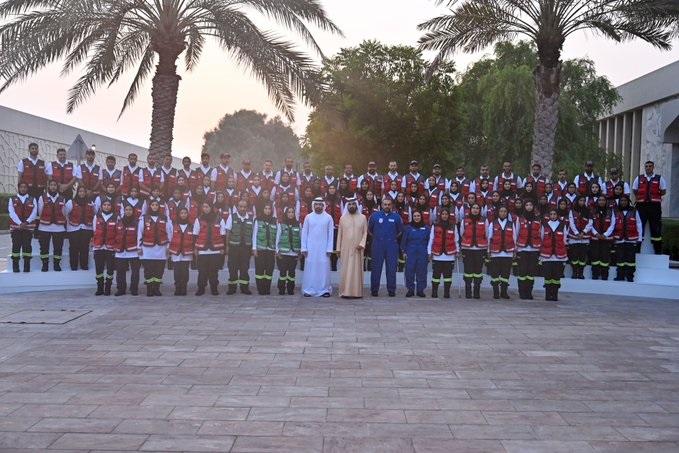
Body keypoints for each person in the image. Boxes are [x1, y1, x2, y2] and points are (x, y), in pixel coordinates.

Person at [368, 198, 404, 297]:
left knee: (391, 268)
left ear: (392, 205)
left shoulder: (397, 217)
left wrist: (391, 238)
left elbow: (400, 231)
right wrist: (377, 237)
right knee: (376, 268)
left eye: (389, 204)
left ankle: (391, 290)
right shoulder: (374, 216)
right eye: (385, 204)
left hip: (391, 245)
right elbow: (370, 230)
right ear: (381, 205)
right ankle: (374, 290)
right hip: (378, 244)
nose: (387, 206)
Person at [301, 197, 334, 297]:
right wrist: (304, 248)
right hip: (310, 248)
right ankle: (308, 289)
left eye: (320, 205)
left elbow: (331, 234)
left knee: (323, 269)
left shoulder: (328, 218)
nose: (318, 206)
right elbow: (304, 233)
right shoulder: (308, 217)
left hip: (324, 249)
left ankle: (324, 290)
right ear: (313, 205)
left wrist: (329, 249)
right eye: (316, 204)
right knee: (310, 269)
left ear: (323, 206)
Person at [138, 199, 172, 296]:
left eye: (156, 205)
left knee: (159, 270)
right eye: (153, 205)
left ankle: (156, 289)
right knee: (148, 271)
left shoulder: (164, 218)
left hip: (161, 248)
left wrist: (168, 246)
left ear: (159, 207)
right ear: (150, 206)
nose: (154, 206)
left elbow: (169, 233)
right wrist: (139, 247)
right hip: (147, 249)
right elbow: (139, 233)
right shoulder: (143, 218)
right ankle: (149, 289)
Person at [632, 161, 667, 255]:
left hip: (654, 206)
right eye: (646, 166)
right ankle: (637, 249)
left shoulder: (659, 178)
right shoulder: (639, 178)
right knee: (639, 226)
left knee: (656, 227)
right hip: (641, 206)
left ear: (653, 167)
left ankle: (658, 250)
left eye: (650, 166)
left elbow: (663, 191)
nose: (648, 168)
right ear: (644, 167)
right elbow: (635, 190)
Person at [336, 198, 368, 299]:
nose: (351, 206)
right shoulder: (342, 218)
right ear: (347, 206)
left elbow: (365, 232)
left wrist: (362, 244)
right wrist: (338, 248)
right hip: (345, 248)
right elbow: (340, 234)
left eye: (353, 204)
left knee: (356, 270)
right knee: (345, 270)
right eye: (349, 205)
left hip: (358, 249)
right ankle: (344, 292)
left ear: (357, 205)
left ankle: (357, 292)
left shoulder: (363, 218)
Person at [194, 201, 226, 296]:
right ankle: (201, 288)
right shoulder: (198, 219)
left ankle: (214, 288)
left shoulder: (219, 219)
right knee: (202, 271)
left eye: (207, 206)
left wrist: (222, 248)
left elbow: (223, 235)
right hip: (202, 250)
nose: (205, 208)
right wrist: (195, 248)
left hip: (215, 250)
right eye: (204, 207)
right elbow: (195, 235)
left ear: (211, 207)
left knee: (214, 271)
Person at [427, 208, 458, 298]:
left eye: (446, 214)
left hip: (449, 255)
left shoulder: (453, 226)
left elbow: (456, 239)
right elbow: (431, 239)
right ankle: (434, 291)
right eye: (443, 214)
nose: (444, 216)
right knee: (436, 275)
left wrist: (457, 251)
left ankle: (447, 292)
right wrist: (429, 252)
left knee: (448, 276)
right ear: (440, 215)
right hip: (437, 255)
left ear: (449, 216)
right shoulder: (435, 225)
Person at [487, 206, 517, 299]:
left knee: (505, 274)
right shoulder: (493, 223)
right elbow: (489, 238)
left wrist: (515, 251)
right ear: (498, 212)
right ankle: (495, 292)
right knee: (495, 274)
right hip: (495, 252)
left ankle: (504, 292)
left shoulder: (511, 224)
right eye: (501, 211)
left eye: (505, 211)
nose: (503, 213)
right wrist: (488, 251)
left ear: (507, 213)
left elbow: (514, 238)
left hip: (508, 253)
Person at [459, 202, 488, 299]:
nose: (475, 210)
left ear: (480, 210)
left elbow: (487, 234)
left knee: (478, 271)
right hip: (467, 248)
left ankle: (476, 291)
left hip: (480, 249)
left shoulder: (484, 220)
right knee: (468, 270)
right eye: (473, 208)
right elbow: (462, 233)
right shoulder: (465, 220)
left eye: (477, 208)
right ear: (470, 210)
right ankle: (468, 291)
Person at [225, 199, 254, 295]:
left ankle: (244, 288)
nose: (242, 208)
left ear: (247, 208)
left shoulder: (251, 218)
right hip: (234, 247)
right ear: (237, 207)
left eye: (244, 207)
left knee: (244, 268)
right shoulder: (232, 217)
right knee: (232, 268)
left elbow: (253, 233)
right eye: (241, 206)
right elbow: (228, 231)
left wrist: (252, 248)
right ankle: (232, 288)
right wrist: (227, 246)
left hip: (246, 248)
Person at [37, 180, 67, 272]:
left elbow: (64, 212)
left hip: (59, 228)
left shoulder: (62, 198)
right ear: (48, 186)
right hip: (44, 227)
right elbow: (40, 211)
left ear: (57, 187)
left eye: (55, 185)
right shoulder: (42, 197)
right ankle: (45, 264)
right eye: (51, 185)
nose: (53, 187)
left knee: (58, 248)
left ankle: (56, 264)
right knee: (44, 248)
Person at [8, 181, 38, 272]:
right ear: (18, 188)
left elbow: (34, 213)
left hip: (28, 228)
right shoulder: (12, 199)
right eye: (21, 187)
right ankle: (15, 267)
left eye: (25, 187)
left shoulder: (32, 199)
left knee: (27, 247)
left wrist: (27, 222)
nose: (23, 188)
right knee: (16, 247)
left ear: (27, 188)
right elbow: (11, 213)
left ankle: (26, 267)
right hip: (16, 228)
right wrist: (20, 223)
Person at [64, 186, 95, 271]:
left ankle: (84, 265)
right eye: (80, 191)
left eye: (83, 191)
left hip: (87, 228)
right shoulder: (71, 202)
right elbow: (65, 213)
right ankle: (73, 265)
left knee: (84, 247)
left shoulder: (91, 202)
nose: (82, 193)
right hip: (73, 228)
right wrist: (69, 223)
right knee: (74, 247)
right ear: (77, 192)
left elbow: (94, 213)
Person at [515, 200, 542, 300]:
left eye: (531, 205)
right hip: (522, 249)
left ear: (534, 207)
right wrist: (516, 249)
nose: (529, 207)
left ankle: (529, 292)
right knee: (522, 271)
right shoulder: (520, 219)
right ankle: (522, 292)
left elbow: (540, 234)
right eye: (527, 205)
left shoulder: (538, 219)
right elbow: (516, 233)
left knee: (531, 272)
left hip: (534, 249)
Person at [540, 208, 569, 301]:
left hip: (558, 256)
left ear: (557, 215)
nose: (553, 216)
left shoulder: (562, 225)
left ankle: (555, 294)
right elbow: (541, 238)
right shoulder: (544, 225)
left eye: (554, 214)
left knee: (556, 276)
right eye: (551, 214)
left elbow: (564, 240)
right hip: (546, 256)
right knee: (547, 276)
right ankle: (548, 295)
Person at [613, 195, 643, 282]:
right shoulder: (615, 211)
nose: (623, 202)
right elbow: (612, 225)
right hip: (619, 239)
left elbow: (639, 224)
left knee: (631, 259)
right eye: (621, 200)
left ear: (628, 201)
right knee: (620, 258)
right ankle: (620, 276)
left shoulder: (634, 211)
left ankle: (630, 277)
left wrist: (639, 238)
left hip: (631, 239)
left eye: (625, 200)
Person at [114, 204, 141, 296]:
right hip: (121, 251)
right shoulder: (119, 222)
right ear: (124, 211)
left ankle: (134, 289)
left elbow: (139, 236)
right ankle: (121, 289)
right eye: (126, 209)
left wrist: (139, 248)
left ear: (133, 211)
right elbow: (114, 234)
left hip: (134, 251)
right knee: (120, 271)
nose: (128, 211)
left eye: (130, 210)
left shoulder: (137, 222)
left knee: (135, 271)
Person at [92, 199, 117, 296]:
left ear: (111, 206)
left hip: (110, 247)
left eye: (108, 205)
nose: (106, 206)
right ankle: (100, 287)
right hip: (98, 247)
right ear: (102, 206)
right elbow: (94, 230)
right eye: (105, 205)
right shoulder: (97, 216)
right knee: (99, 269)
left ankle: (108, 287)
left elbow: (117, 232)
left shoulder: (116, 217)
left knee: (110, 270)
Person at [167, 207, 194, 296]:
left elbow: (193, 239)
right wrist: (169, 249)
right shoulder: (173, 225)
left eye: (185, 213)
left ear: (187, 214)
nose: (183, 215)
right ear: (179, 214)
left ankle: (184, 288)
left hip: (186, 252)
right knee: (177, 271)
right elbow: (170, 237)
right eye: (181, 213)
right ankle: (177, 288)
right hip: (176, 252)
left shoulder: (191, 226)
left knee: (185, 271)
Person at [252, 202, 278, 295]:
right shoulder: (257, 220)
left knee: (269, 270)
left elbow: (277, 236)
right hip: (260, 249)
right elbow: (254, 234)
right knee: (259, 270)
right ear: (263, 210)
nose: (267, 210)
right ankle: (260, 289)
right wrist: (254, 248)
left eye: (269, 209)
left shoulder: (275, 221)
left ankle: (267, 288)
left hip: (271, 250)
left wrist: (276, 250)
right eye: (265, 208)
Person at [276, 206, 302, 295]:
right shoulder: (281, 224)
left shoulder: (298, 224)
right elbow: (277, 238)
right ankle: (281, 289)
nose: (291, 214)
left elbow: (301, 238)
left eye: (292, 212)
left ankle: (290, 289)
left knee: (292, 273)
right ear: (286, 214)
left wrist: (300, 252)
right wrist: (277, 251)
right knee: (283, 272)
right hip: (283, 253)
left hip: (294, 253)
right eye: (289, 212)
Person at [590, 195, 616, 281]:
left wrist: (606, 234)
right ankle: (595, 274)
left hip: (606, 239)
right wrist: (596, 233)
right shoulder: (592, 212)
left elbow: (613, 224)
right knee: (595, 257)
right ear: (597, 202)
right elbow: (590, 224)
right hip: (595, 238)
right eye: (600, 200)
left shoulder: (610, 212)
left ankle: (604, 275)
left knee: (605, 257)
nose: (601, 202)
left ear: (606, 202)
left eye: (603, 200)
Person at [568, 196, 592, 279]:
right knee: (574, 256)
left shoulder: (588, 211)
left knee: (582, 257)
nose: (582, 202)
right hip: (574, 237)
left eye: (583, 200)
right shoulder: (572, 211)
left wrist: (583, 232)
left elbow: (590, 223)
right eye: (580, 200)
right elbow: (571, 223)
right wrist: (577, 233)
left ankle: (581, 273)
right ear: (577, 201)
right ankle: (574, 272)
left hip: (584, 238)